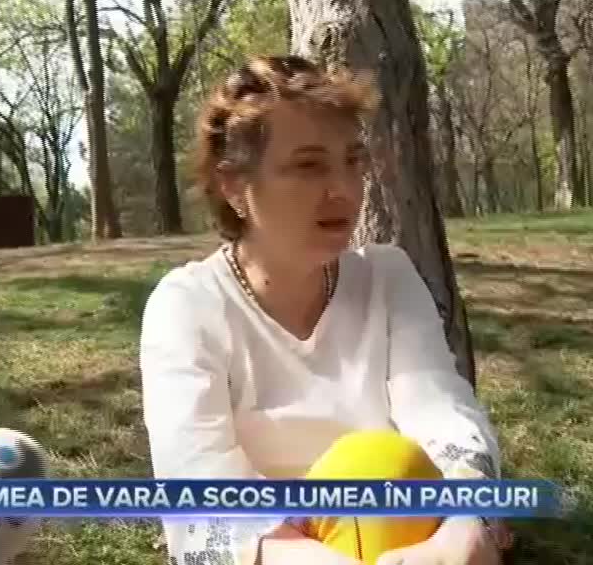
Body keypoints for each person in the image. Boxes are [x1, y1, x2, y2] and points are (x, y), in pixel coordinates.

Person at [139, 56, 513, 565]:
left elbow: (444, 415)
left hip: (407, 543)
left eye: (353, 161)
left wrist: (470, 525)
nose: (343, 189)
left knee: (383, 464)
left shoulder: (388, 277)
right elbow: (200, 493)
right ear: (234, 186)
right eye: (309, 165)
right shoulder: (187, 306)